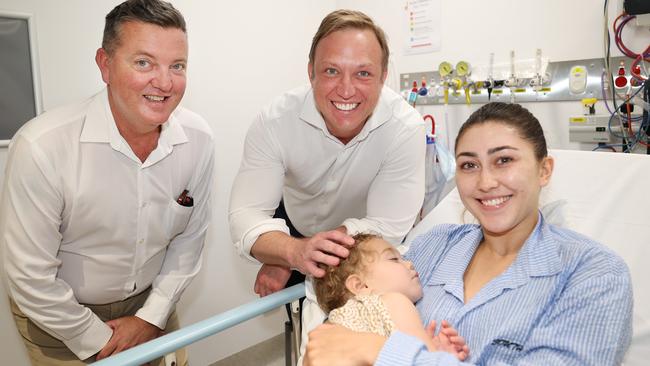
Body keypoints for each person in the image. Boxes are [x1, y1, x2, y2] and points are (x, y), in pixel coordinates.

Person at [304, 102, 633, 366]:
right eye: (469, 165)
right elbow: (345, 332)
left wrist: (379, 352)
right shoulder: (435, 245)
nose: (486, 182)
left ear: (544, 170)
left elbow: (364, 346)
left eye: (503, 160)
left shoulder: (593, 274)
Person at [0, 1, 214, 365]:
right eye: (143, 62)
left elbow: (188, 243)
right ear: (105, 64)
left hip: (153, 303)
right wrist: (100, 340)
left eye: (176, 66)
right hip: (58, 317)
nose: (164, 83)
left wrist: (150, 318)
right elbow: (31, 277)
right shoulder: (42, 147)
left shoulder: (198, 139)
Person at [228, 8, 425, 357]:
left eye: (363, 73)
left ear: (382, 77)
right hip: (292, 221)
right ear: (311, 73)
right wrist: (288, 252)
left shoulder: (404, 128)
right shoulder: (275, 121)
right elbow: (246, 215)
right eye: (332, 71)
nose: (346, 89)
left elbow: (389, 225)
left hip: (363, 234)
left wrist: (306, 256)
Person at [313, 233, 469, 361]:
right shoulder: (393, 302)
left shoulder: (334, 325)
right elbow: (424, 361)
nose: (409, 263)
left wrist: (435, 348)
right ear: (360, 286)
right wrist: (440, 354)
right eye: (394, 259)